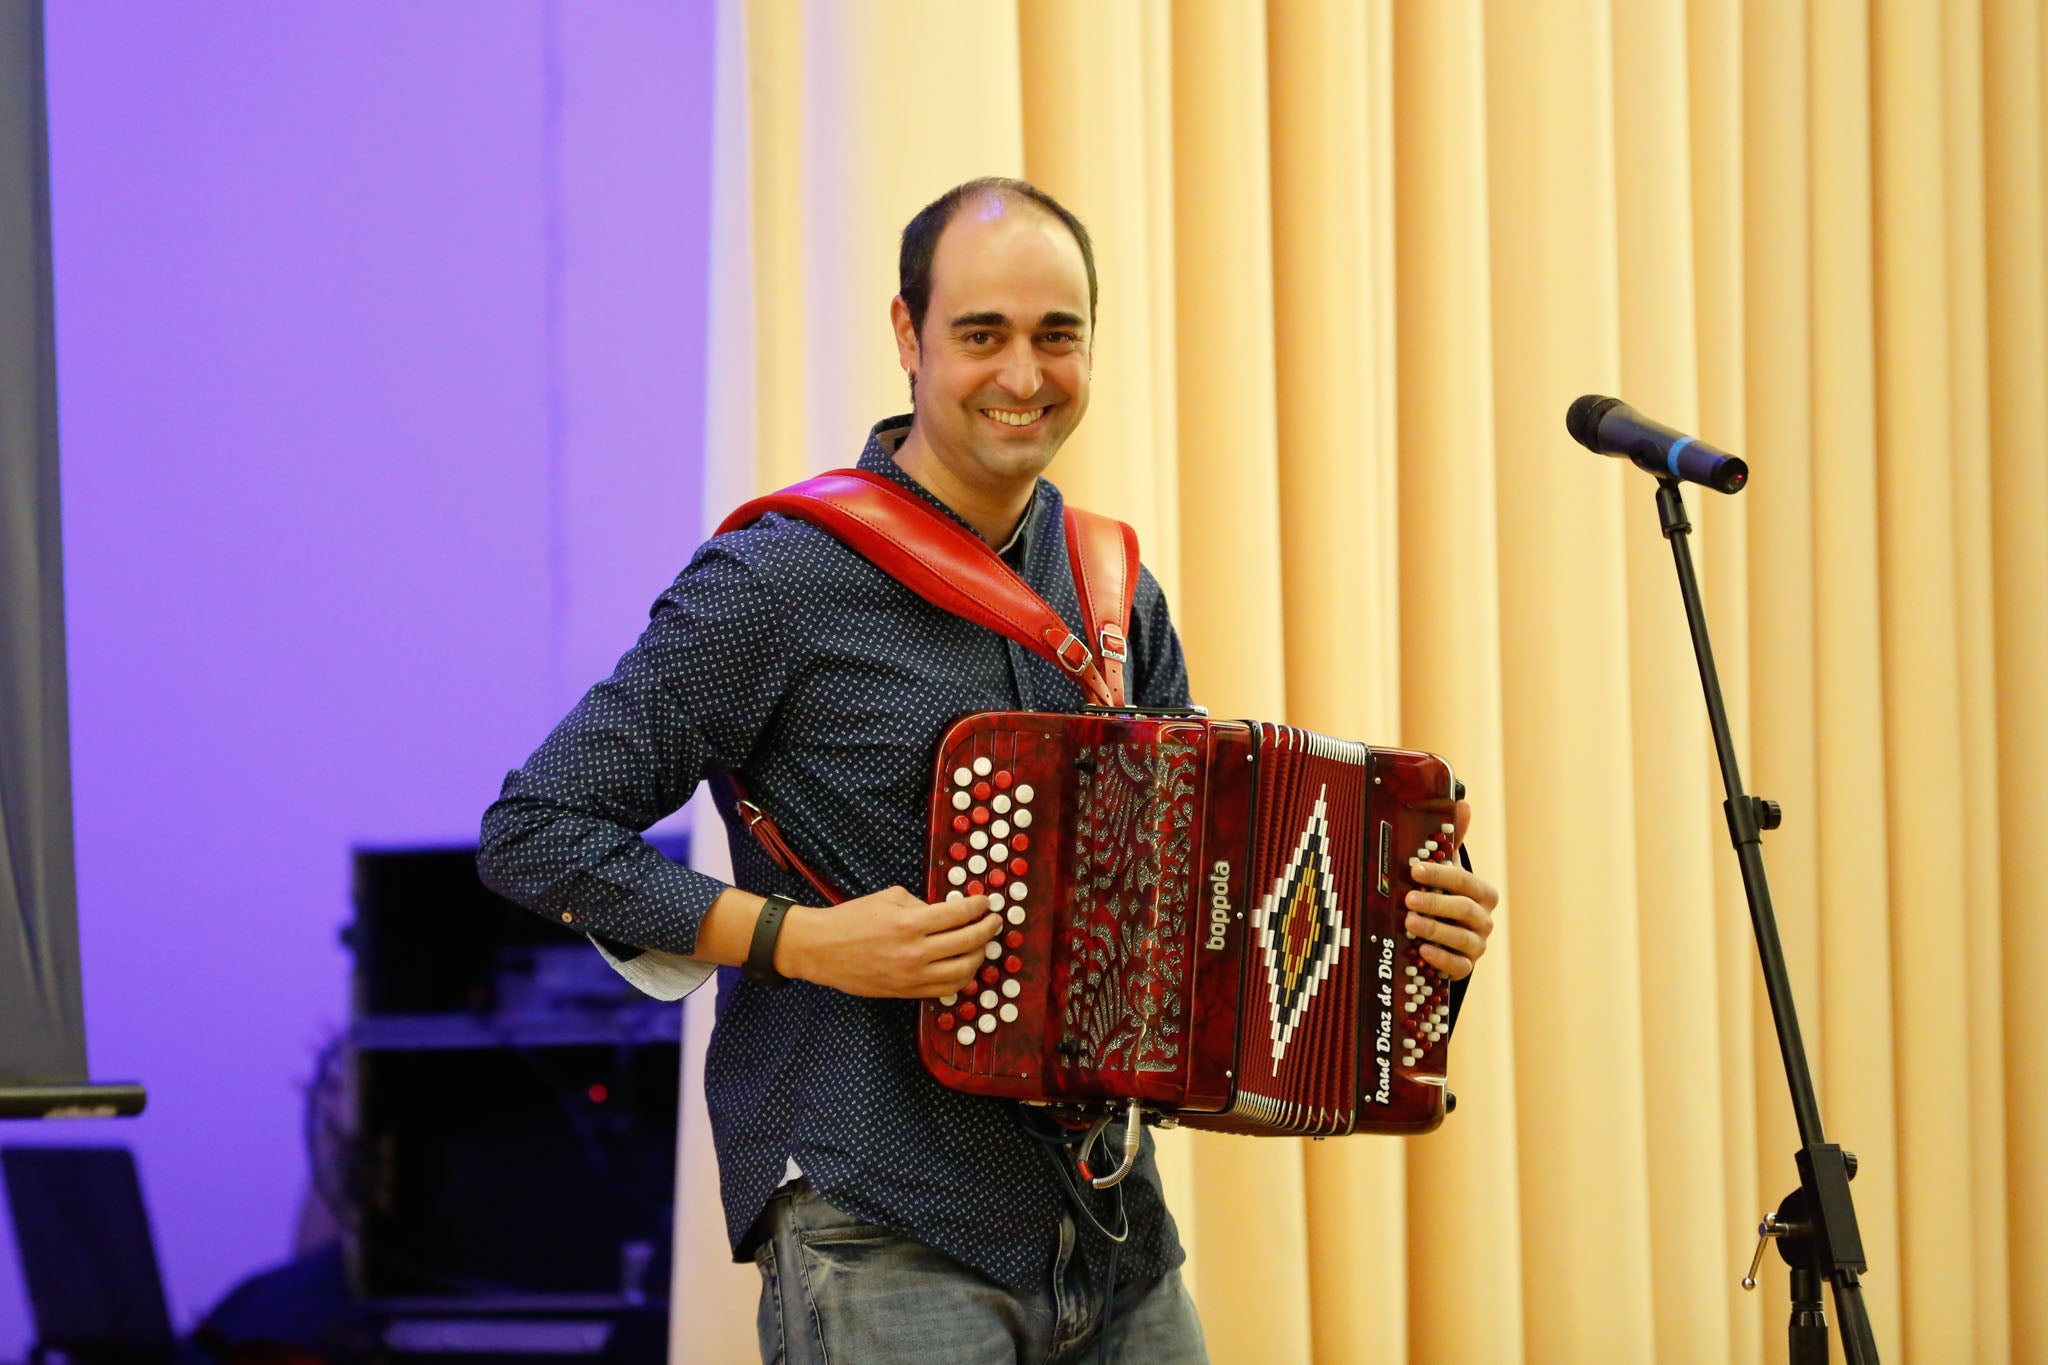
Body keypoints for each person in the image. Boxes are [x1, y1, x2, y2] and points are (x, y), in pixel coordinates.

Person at [477, 176, 1499, 1364]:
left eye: (1055, 336)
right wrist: (797, 940)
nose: (1025, 375)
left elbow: (1193, 936)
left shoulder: (1111, 589)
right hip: (879, 1216)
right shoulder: (778, 580)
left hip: (1110, 1231)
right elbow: (538, 829)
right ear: (909, 338)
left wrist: (1397, 938)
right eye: (982, 335)